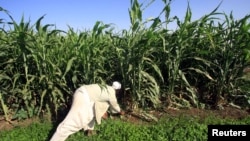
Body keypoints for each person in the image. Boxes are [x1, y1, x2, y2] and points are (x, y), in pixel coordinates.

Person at [50, 81, 124, 141]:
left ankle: (89, 130)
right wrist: (120, 111)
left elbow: (98, 105)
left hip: (81, 92)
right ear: (117, 90)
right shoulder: (111, 92)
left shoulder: (105, 87)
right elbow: (115, 105)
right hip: (84, 97)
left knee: (91, 111)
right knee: (73, 123)